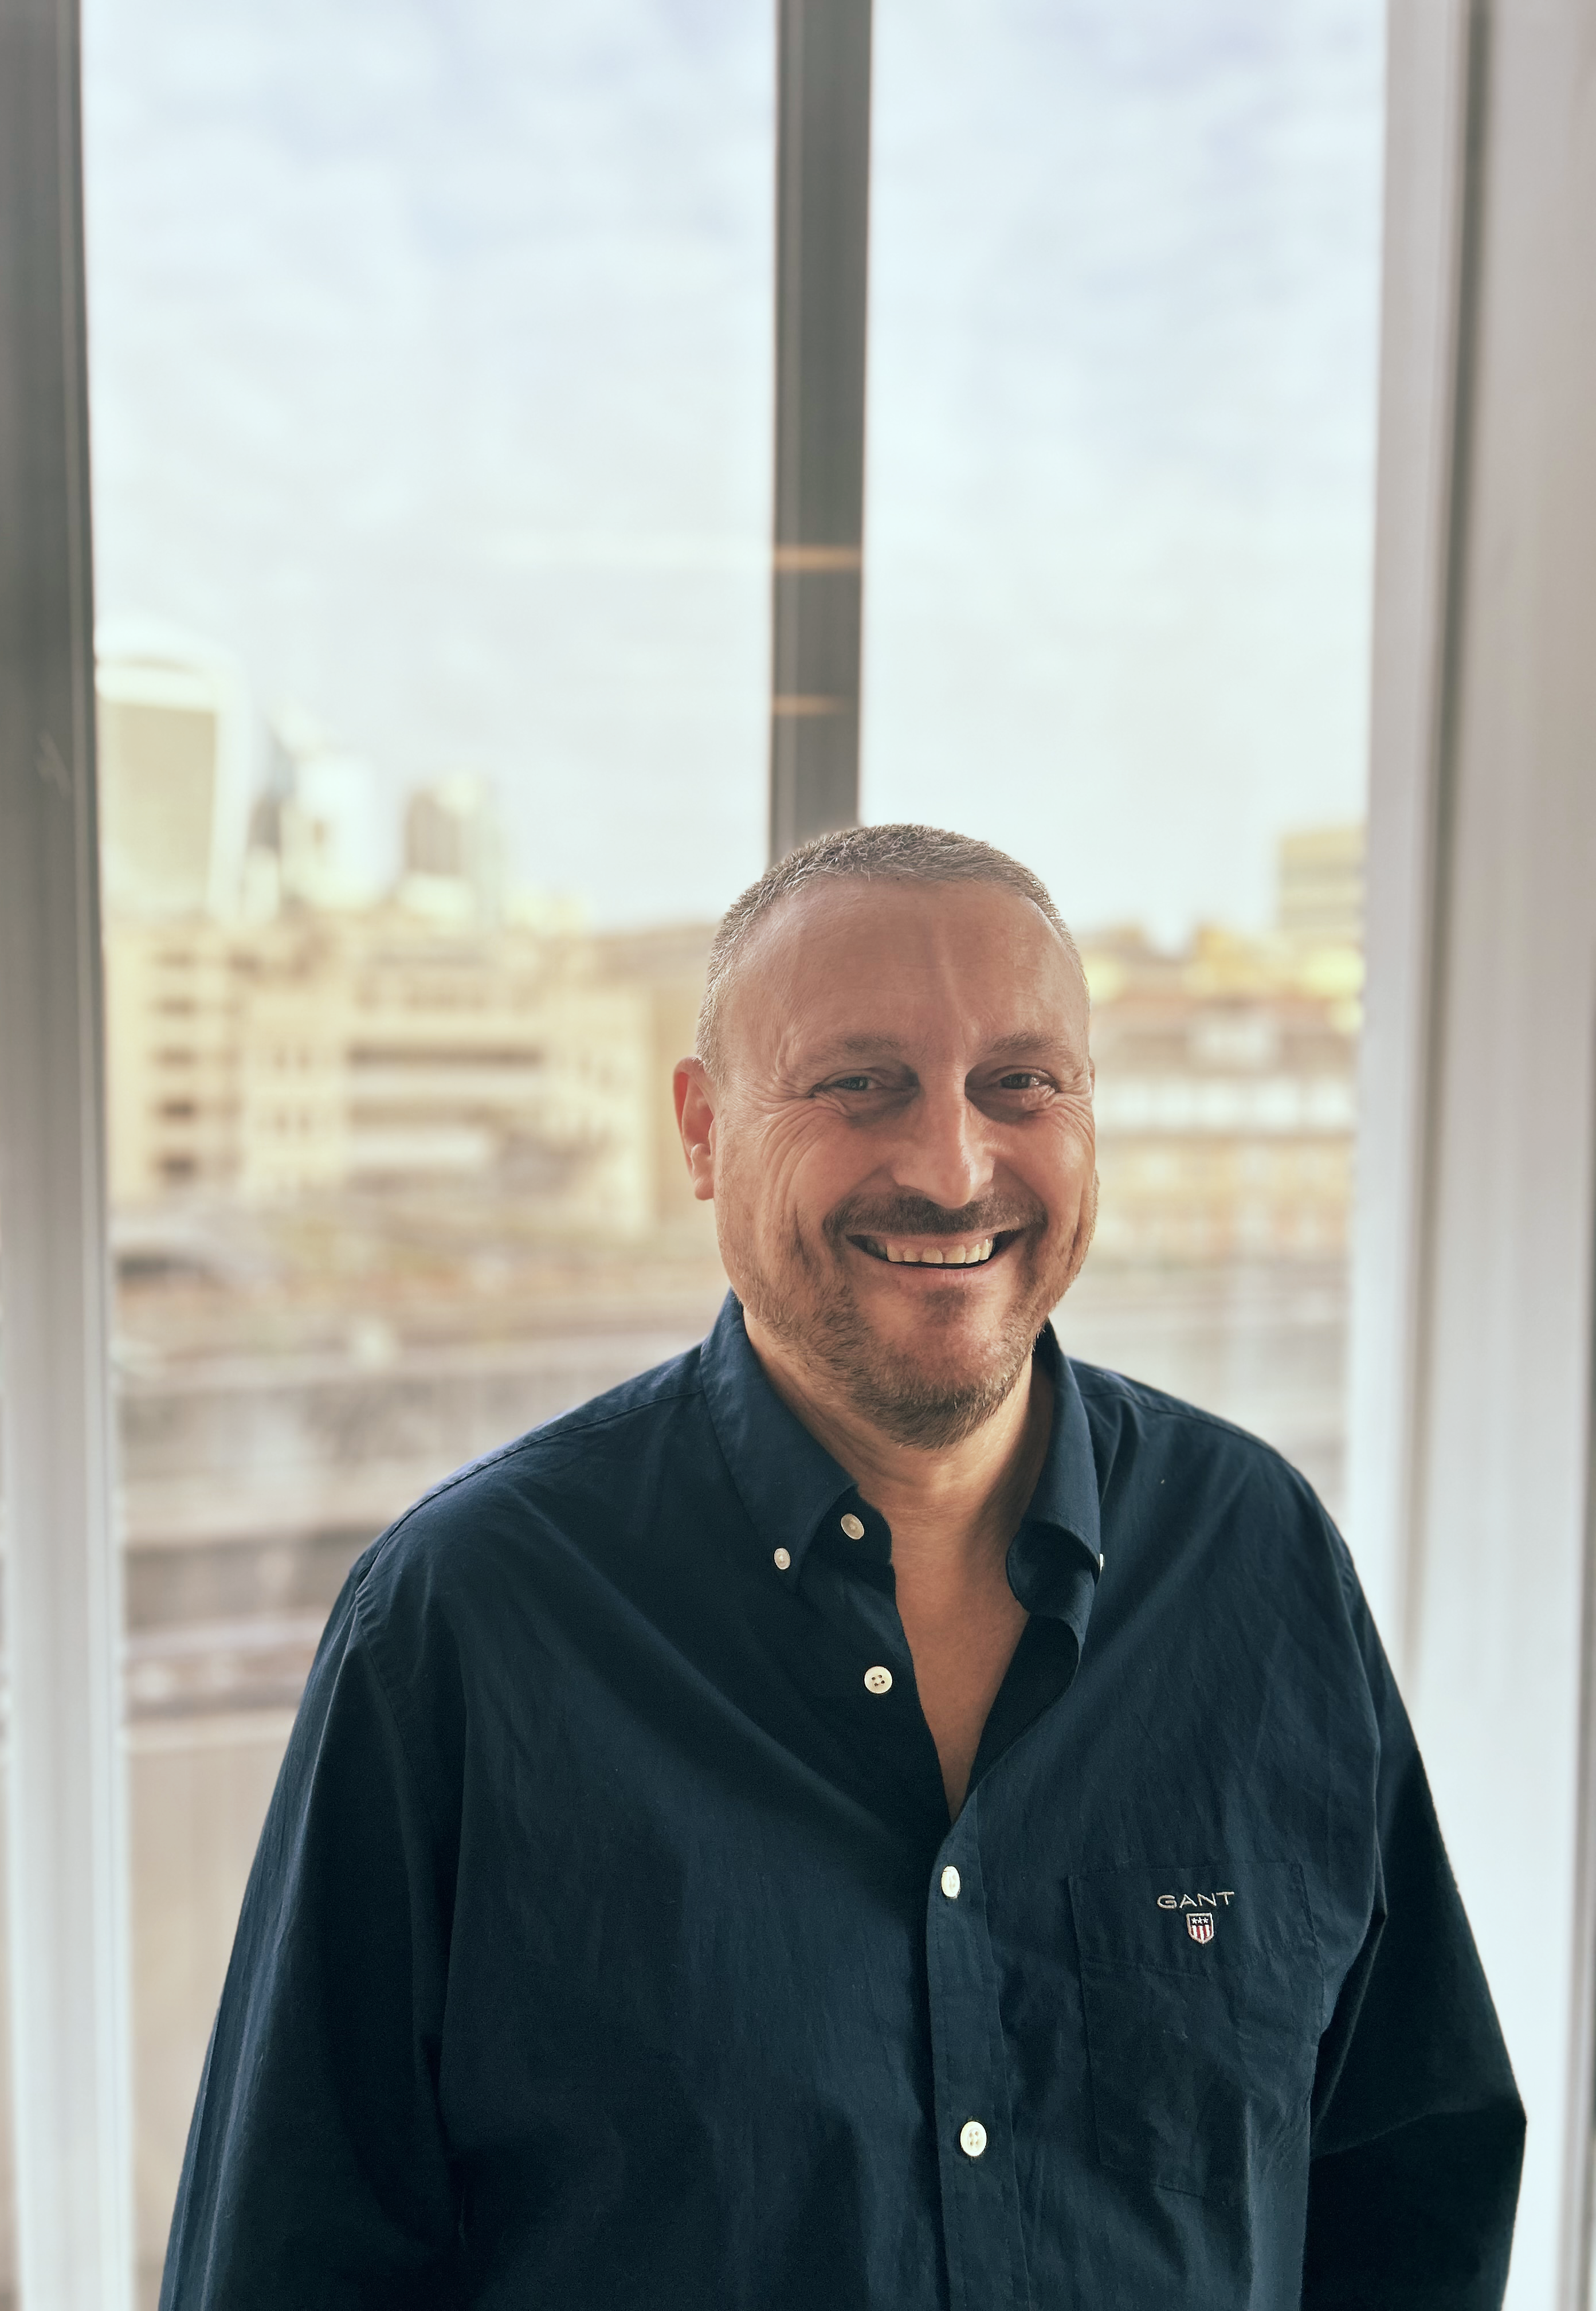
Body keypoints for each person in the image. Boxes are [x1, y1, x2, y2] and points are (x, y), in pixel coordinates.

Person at [160, 822, 1523, 2309]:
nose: (952, 1166)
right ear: (699, 1129)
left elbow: (1412, 2170)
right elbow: (291, 2257)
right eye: (859, 1084)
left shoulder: (1260, 1561)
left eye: (1021, 1084)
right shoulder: (464, 1623)